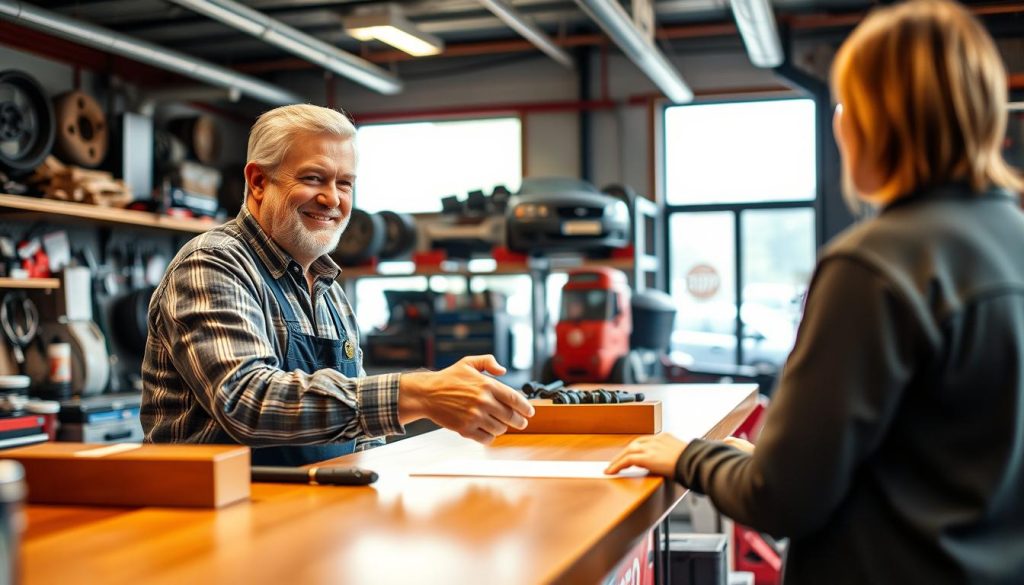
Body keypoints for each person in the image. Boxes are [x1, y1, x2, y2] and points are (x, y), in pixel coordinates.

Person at [606, 1, 1024, 583]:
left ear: (880, 120)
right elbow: (944, 461)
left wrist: (687, 456)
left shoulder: (877, 264)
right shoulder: (1011, 243)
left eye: (846, 104)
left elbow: (780, 498)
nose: (839, 123)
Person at [142, 104, 533, 466]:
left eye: (345, 183)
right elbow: (247, 402)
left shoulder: (329, 290)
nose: (332, 199)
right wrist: (418, 393)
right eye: (314, 178)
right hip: (213, 522)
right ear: (259, 181)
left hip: (312, 512)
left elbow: (362, 435)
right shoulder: (214, 263)